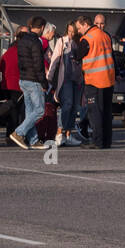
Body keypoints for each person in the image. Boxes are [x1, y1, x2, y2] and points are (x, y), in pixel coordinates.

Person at [75, 14, 115, 149]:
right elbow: (112, 56)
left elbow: (77, 55)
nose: (78, 31)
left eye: (79, 28)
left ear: (85, 25)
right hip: (108, 79)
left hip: (94, 80)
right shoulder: (106, 36)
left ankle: (97, 141)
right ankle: (106, 141)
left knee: (95, 112)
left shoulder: (87, 38)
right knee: (106, 111)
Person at [10, 16, 49, 149]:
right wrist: (44, 83)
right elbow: (38, 65)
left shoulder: (22, 40)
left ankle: (33, 140)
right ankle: (19, 133)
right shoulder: (35, 42)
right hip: (34, 81)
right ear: (42, 27)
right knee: (39, 110)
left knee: (30, 111)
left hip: (24, 80)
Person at [48, 21, 84, 146]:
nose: (71, 34)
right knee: (67, 104)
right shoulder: (62, 41)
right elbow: (55, 59)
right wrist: (49, 77)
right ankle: (59, 132)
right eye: (69, 31)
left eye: (73, 32)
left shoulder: (80, 42)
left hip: (78, 78)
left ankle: (68, 134)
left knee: (75, 107)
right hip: (66, 79)